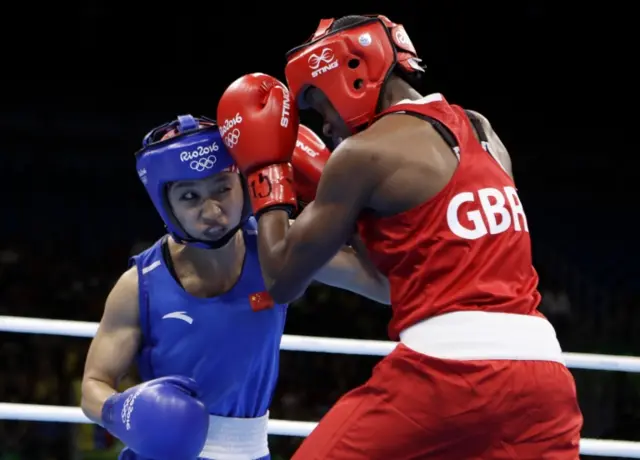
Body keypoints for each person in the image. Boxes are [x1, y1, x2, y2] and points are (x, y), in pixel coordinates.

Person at [216, 14, 583, 460]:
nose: (326, 126)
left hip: (449, 374)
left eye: (320, 105)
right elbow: (397, 280)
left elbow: (281, 281)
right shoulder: (482, 131)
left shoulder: (362, 154)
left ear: (350, 75)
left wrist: (266, 172)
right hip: (545, 377)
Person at [80, 114, 390, 460]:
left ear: (242, 185)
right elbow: (93, 385)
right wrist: (123, 411)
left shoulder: (279, 249)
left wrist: (340, 208)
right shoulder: (140, 284)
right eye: (189, 197)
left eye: (222, 189)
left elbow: (386, 287)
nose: (211, 210)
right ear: (167, 205)